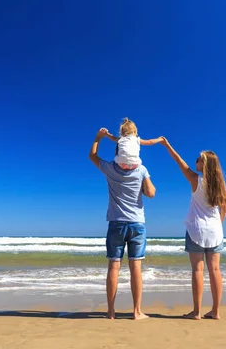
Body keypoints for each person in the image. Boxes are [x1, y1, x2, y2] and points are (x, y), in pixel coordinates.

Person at [89, 127, 157, 320]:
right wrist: (146, 181)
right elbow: (151, 193)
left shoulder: (110, 168)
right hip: (137, 224)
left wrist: (98, 137)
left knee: (114, 267)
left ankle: (111, 311)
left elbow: (92, 156)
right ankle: (136, 312)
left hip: (116, 223)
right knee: (136, 268)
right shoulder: (142, 170)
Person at [160, 137, 226, 320]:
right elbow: (225, 209)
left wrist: (167, 144)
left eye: (199, 159)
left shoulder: (195, 180)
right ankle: (215, 311)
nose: (195, 161)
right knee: (215, 270)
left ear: (204, 164)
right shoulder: (220, 184)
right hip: (215, 230)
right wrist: (216, 225)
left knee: (197, 270)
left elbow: (178, 161)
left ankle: (197, 312)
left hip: (196, 229)